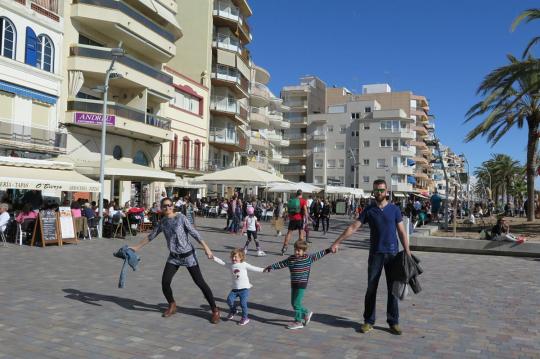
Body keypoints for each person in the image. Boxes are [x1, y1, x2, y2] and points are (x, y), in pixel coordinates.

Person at [331, 179, 411, 335]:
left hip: (393, 254)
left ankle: (393, 322)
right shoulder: (369, 210)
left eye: (381, 190)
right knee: (371, 288)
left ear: (386, 191)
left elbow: (401, 231)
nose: (379, 193)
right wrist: (337, 242)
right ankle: (368, 321)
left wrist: (407, 250)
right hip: (375, 254)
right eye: (376, 190)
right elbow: (354, 227)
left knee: (393, 290)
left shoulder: (394, 210)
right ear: (373, 192)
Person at [130, 197, 221, 323]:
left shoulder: (181, 218)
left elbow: (194, 233)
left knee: (200, 282)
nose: (167, 208)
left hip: (188, 256)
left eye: (169, 205)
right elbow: (151, 236)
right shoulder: (163, 222)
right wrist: (136, 247)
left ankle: (215, 310)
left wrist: (207, 248)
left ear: (173, 206)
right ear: (161, 208)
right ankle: (172, 305)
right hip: (174, 257)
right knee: (165, 282)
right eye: (164, 206)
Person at [264, 241, 332, 330]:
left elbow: (319, 254)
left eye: (299, 250)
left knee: (296, 303)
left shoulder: (308, 258)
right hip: (294, 283)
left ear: (304, 251)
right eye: (295, 250)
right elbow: (281, 263)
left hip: (302, 284)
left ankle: (298, 321)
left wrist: (328, 250)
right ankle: (306, 313)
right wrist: (271, 267)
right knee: (294, 303)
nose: (296, 252)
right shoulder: (291, 259)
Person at [212, 249, 265, 326]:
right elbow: (222, 262)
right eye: (232, 256)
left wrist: (264, 269)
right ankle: (233, 311)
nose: (233, 258)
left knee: (243, 304)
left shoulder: (244, 264)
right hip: (235, 289)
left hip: (244, 289)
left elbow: (254, 268)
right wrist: (213, 257)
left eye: (236, 257)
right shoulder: (231, 265)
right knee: (229, 300)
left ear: (241, 258)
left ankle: (245, 318)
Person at [281, 189, 309, 255]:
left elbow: (288, 210)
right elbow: (305, 210)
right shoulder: (303, 200)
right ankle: (300, 248)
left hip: (292, 219)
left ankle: (284, 247)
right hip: (300, 219)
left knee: (289, 233)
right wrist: (307, 219)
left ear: (296, 194)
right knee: (301, 233)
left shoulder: (292, 200)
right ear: (301, 194)